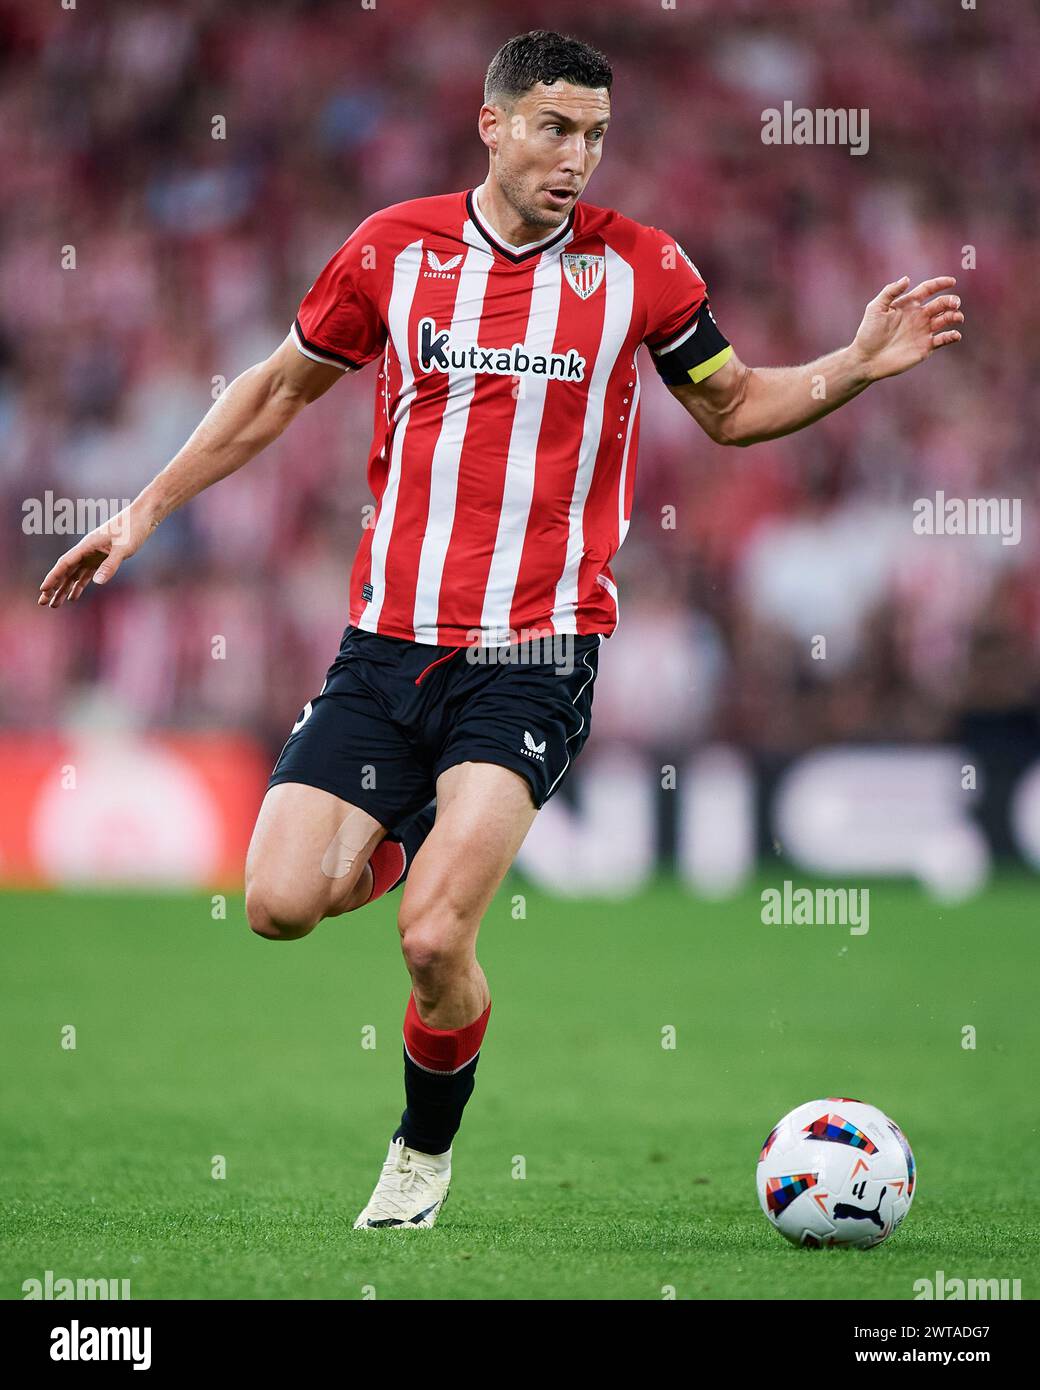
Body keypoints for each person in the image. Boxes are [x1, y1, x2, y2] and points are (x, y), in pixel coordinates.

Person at [38, 29, 963, 1229]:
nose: (576, 157)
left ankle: (420, 1156)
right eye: (554, 129)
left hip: (534, 655)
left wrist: (852, 365)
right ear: (492, 124)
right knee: (278, 903)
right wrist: (143, 512)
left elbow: (732, 408)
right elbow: (273, 390)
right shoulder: (392, 249)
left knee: (432, 937)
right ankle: (414, 816)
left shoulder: (641, 267)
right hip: (384, 647)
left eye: (595, 135)